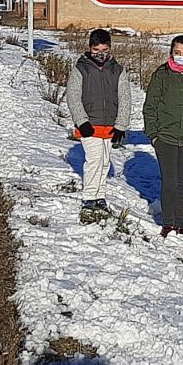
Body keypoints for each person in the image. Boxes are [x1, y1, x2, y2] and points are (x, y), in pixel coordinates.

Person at [143, 35, 183, 238]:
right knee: (170, 182)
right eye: (177, 52)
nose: (181, 56)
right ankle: (168, 222)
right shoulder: (161, 75)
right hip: (166, 138)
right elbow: (150, 106)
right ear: (171, 53)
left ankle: (179, 223)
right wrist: (153, 135)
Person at [66, 28, 131, 223]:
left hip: (109, 125)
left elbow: (125, 98)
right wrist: (82, 121)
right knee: (94, 160)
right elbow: (73, 97)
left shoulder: (118, 70)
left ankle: (99, 195)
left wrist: (121, 125)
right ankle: (89, 197)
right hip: (90, 125)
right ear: (89, 48)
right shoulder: (81, 69)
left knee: (104, 162)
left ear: (110, 48)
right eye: (96, 50)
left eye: (104, 50)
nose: (100, 54)